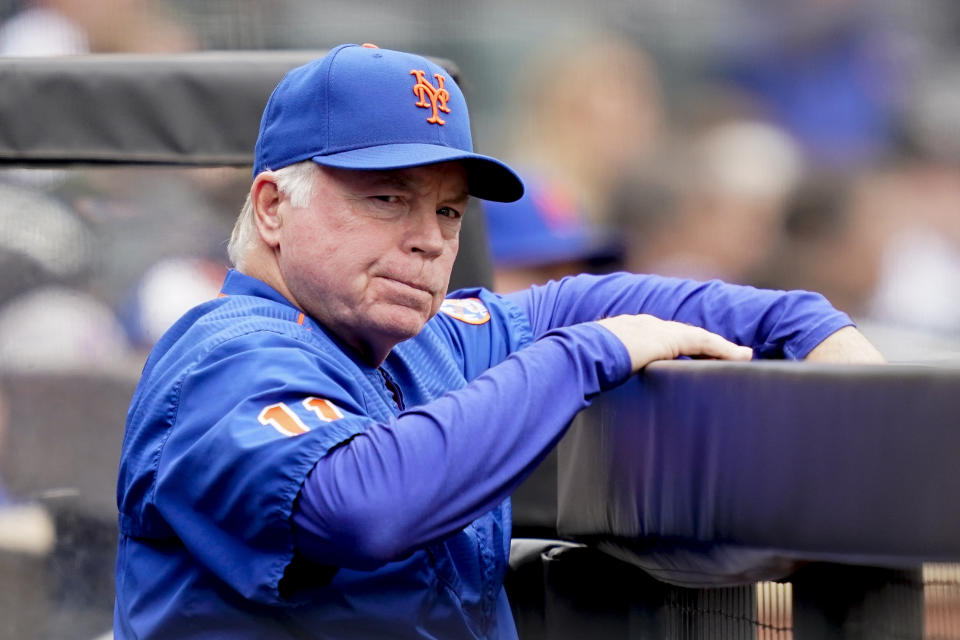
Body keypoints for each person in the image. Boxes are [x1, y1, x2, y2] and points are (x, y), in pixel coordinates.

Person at [114, 43, 884, 639]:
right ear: (274, 207)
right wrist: (587, 355)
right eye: (387, 199)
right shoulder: (224, 355)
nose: (428, 242)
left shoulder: (414, 342)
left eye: (449, 213)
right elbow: (359, 506)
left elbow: (589, 300)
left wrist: (806, 324)